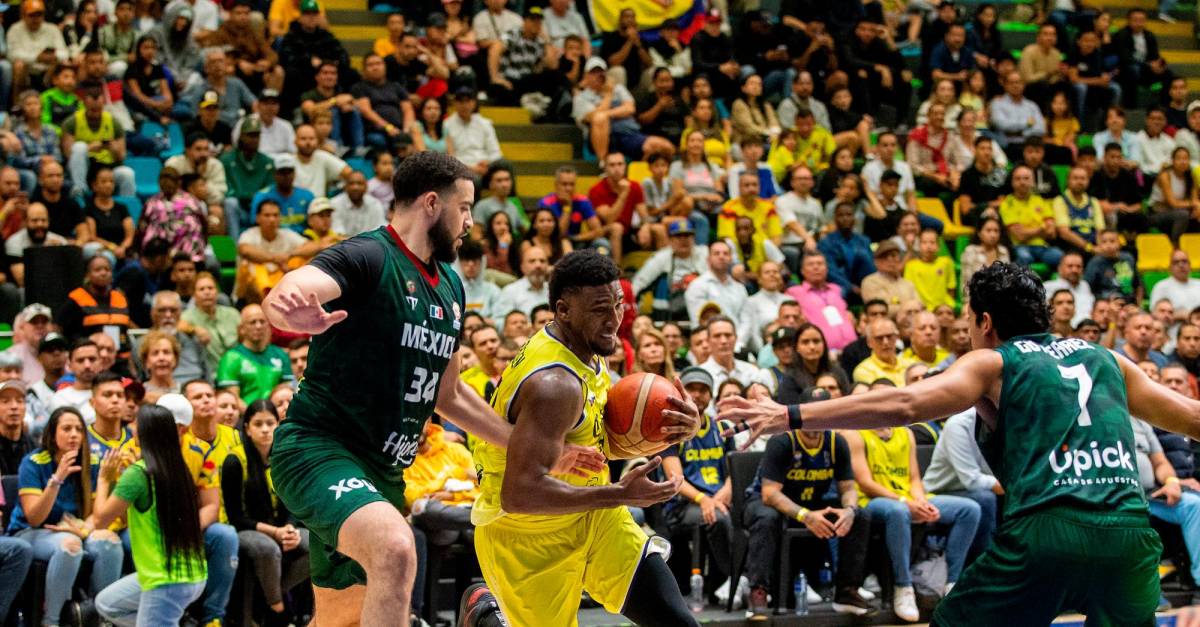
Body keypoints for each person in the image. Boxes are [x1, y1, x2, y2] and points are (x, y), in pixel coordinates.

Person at [719, 260, 1200, 624]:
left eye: (968, 320)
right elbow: (1194, 418)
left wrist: (791, 413)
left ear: (985, 322)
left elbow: (905, 405)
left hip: (1047, 535)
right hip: (1130, 541)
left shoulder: (993, 361)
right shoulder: (1108, 359)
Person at [262, 152, 608, 625]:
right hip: (317, 450)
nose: (470, 222)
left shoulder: (449, 284)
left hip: (381, 472)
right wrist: (286, 307)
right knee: (396, 549)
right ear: (431, 204)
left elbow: (452, 396)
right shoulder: (368, 255)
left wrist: (538, 449)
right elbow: (295, 287)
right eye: (464, 207)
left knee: (341, 618)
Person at [470, 249, 701, 626]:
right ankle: (486, 616)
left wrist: (675, 427)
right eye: (599, 310)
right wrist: (621, 493)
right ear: (563, 310)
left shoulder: (590, 348)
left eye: (619, 305)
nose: (614, 320)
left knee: (676, 621)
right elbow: (520, 493)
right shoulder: (553, 384)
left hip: (594, 516)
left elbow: (601, 435)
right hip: (528, 535)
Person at [91, 404, 207, 627]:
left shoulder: (138, 474)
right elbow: (130, 517)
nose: (132, 428)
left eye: (136, 424)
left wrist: (104, 479)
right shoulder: (178, 469)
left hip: (165, 580)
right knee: (108, 604)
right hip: (192, 574)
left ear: (145, 433)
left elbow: (100, 521)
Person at [8, 407, 124, 627]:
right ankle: (52, 620)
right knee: (70, 546)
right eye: (67, 428)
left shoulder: (90, 462)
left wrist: (83, 530)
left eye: (79, 429)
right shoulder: (34, 462)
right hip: (31, 532)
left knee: (110, 541)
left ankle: (102, 618)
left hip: (74, 529)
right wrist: (57, 479)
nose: (74, 434)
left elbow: (96, 515)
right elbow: (34, 517)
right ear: (53, 434)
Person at [221, 400, 308, 625]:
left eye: (270, 423)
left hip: (279, 527)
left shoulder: (282, 457)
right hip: (245, 529)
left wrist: (289, 528)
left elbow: (292, 502)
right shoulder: (235, 460)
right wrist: (276, 532)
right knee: (268, 549)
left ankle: (266, 596)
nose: (265, 429)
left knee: (321, 544)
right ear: (247, 428)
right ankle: (278, 608)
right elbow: (235, 517)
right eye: (258, 424)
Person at [660, 366, 734, 588]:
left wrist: (726, 492)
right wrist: (704, 499)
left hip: (720, 498)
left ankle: (755, 581)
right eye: (691, 388)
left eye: (703, 390)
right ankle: (732, 579)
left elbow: (734, 471)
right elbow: (676, 479)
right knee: (717, 519)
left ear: (711, 395)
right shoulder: (671, 430)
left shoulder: (722, 427)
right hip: (684, 504)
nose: (697, 394)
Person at [922, 408, 1001, 559]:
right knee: (986, 499)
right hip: (940, 492)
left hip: (978, 489)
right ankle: (982, 563)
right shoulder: (959, 424)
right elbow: (971, 480)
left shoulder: (1007, 421)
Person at [217, 305, 294, 403]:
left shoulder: (280, 355)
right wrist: (255, 416)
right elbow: (233, 398)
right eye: (252, 322)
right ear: (242, 329)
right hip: (245, 416)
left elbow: (285, 391)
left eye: (262, 321)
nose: (258, 326)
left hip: (276, 414)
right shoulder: (231, 358)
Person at [1000, 165, 1061, 268]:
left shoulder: (1040, 200)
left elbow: (1051, 232)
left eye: (1026, 178)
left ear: (1033, 182)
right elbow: (1020, 236)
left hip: (1042, 246)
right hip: (1020, 247)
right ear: (1012, 183)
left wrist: (1028, 231)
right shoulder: (1007, 203)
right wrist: (1041, 228)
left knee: (1060, 256)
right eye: (1018, 179)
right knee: (1024, 258)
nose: (1022, 182)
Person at [904, 228, 957, 310]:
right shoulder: (910, 266)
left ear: (938, 246)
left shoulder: (946, 262)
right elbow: (909, 290)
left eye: (932, 242)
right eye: (924, 242)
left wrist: (948, 306)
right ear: (919, 246)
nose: (928, 246)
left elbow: (951, 288)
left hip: (943, 307)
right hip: (921, 308)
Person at [1043, 252, 1094, 327]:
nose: (1074, 270)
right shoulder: (1048, 287)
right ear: (1059, 269)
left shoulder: (1085, 286)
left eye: (1078, 266)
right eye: (1070, 266)